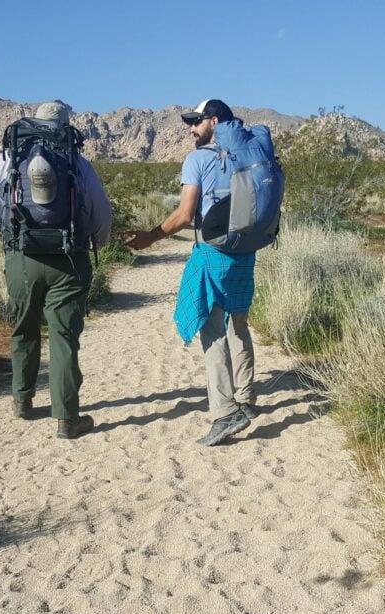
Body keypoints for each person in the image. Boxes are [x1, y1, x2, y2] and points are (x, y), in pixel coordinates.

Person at [126, 99, 258, 446]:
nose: (191, 128)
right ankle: (245, 398)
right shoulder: (252, 155)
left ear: (213, 121)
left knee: (211, 329)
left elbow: (185, 215)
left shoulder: (199, 159)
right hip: (245, 254)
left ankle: (226, 412)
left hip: (213, 253)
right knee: (239, 325)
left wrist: (152, 236)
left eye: (197, 121)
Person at [0, 101, 112, 440]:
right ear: (66, 127)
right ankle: (68, 419)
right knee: (63, 338)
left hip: (22, 258)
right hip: (69, 260)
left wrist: (16, 239)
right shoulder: (78, 163)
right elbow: (100, 215)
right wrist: (93, 242)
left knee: (23, 327)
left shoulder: (9, 158)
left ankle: (22, 400)